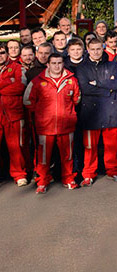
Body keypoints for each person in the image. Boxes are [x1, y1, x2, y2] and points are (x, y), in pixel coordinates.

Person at [24, 53, 81, 193]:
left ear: (63, 64)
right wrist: (41, 114)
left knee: (67, 155)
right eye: (54, 63)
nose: (57, 66)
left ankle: (68, 179)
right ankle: (42, 181)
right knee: (43, 157)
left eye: (59, 63)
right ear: (48, 65)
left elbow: (77, 99)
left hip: (66, 125)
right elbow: (27, 101)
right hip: (45, 126)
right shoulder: (37, 81)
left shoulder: (71, 80)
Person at [75, 38, 117, 185]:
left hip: (111, 112)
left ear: (103, 48)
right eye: (93, 49)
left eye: (99, 49)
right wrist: (106, 88)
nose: (96, 52)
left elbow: (116, 84)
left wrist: (97, 84)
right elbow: (85, 88)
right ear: (88, 50)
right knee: (90, 147)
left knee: (112, 146)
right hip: (91, 113)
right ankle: (88, 174)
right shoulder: (82, 68)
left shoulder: (112, 65)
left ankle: (113, 171)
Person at [0, 43, 29, 186]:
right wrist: (7, 81)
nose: (0, 56)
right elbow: (13, 84)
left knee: (16, 146)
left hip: (13, 112)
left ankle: (19, 175)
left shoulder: (18, 67)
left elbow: (20, 87)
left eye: (2, 52)